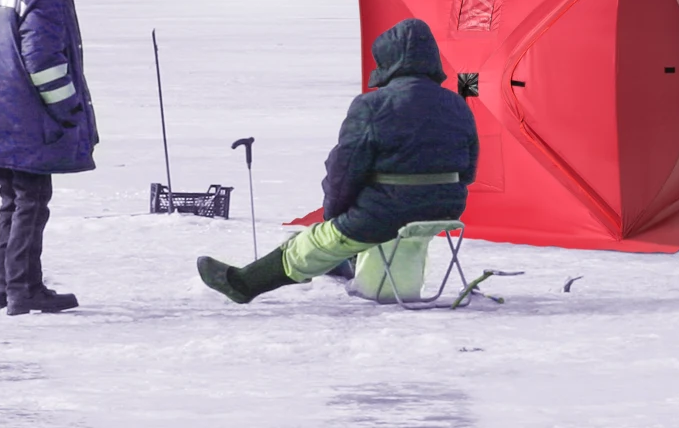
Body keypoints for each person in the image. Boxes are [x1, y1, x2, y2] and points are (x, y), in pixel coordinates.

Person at [197, 17, 479, 304]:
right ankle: (349, 263)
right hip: (445, 207)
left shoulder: (372, 105)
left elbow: (344, 170)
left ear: (388, 61)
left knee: (318, 241)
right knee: (382, 228)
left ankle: (244, 284)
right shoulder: (457, 103)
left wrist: (334, 213)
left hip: (386, 212)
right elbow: (469, 169)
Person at [0, 0, 99, 315]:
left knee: (13, 199)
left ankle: (4, 286)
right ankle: (23, 289)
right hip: (25, 118)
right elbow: (43, 62)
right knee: (31, 199)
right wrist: (68, 110)